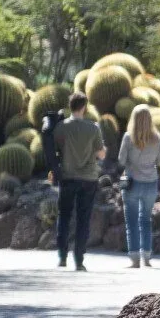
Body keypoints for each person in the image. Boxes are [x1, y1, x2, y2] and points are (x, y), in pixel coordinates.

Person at [53, 92, 104, 271]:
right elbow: (100, 153)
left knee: (64, 215)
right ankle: (79, 260)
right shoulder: (93, 128)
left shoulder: (61, 127)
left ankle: (62, 256)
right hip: (88, 178)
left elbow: (55, 149)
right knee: (83, 219)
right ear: (84, 107)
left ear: (70, 106)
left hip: (67, 177)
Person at [118, 104, 160, 268]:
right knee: (145, 220)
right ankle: (147, 256)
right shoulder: (157, 138)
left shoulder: (128, 138)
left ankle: (135, 259)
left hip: (132, 183)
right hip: (151, 183)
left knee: (131, 221)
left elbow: (121, 160)